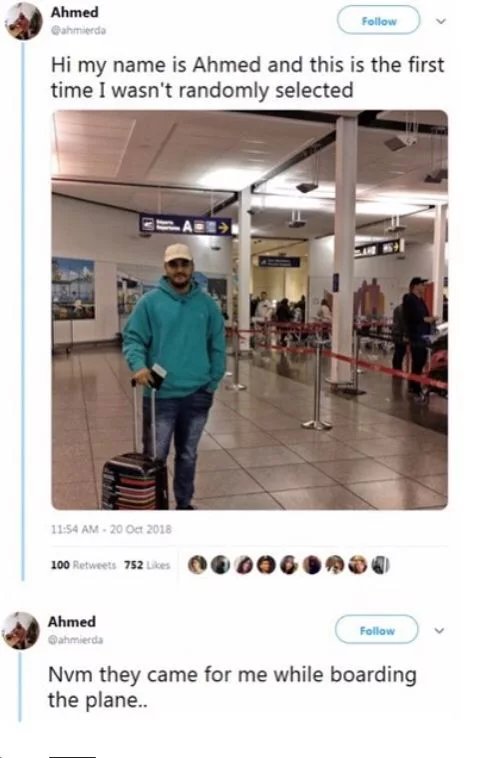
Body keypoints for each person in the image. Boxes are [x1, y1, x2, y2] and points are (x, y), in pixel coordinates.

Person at [122, 243, 226, 510]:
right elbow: (133, 339)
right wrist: (138, 365)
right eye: (173, 264)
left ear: (192, 267)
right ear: (165, 268)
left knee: (188, 454)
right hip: (160, 395)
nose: (179, 269)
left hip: (198, 394)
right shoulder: (149, 303)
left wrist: (212, 382)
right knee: (155, 457)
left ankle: (184, 505)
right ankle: (154, 508)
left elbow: (217, 344)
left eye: (184, 264)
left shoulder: (207, 305)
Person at [402, 277, 438, 400]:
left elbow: (425, 315)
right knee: (417, 361)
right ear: (415, 286)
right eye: (422, 285)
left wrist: (431, 319)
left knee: (421, 361)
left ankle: (415, 385)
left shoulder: (421, 301)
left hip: (424, 336)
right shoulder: (409, 299)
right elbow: (410, 317)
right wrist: (425, 319)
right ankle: (415, 387)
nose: (424, 287)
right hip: (416, 336)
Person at [391, 303, 408, 371]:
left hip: (396, 332)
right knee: (400, 353)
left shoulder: (398, 307)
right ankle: (398, 370)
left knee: (398, 352)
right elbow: (403, 323)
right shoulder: (403, 309)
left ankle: (396, 369)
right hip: (400, 334)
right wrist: (405, 334)